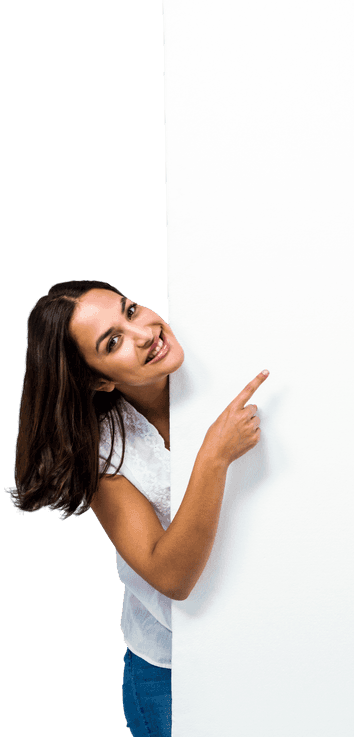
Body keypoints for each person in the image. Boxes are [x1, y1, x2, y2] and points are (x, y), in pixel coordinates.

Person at [7, 281, 269, 737]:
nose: (145, 333)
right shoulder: (103, 452)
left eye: (130, 311)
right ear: (99, 379)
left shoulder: (218, 351)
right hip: (169, 671)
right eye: (113, 342)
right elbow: (170, 577)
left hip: (262, 643)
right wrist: (214, 457)